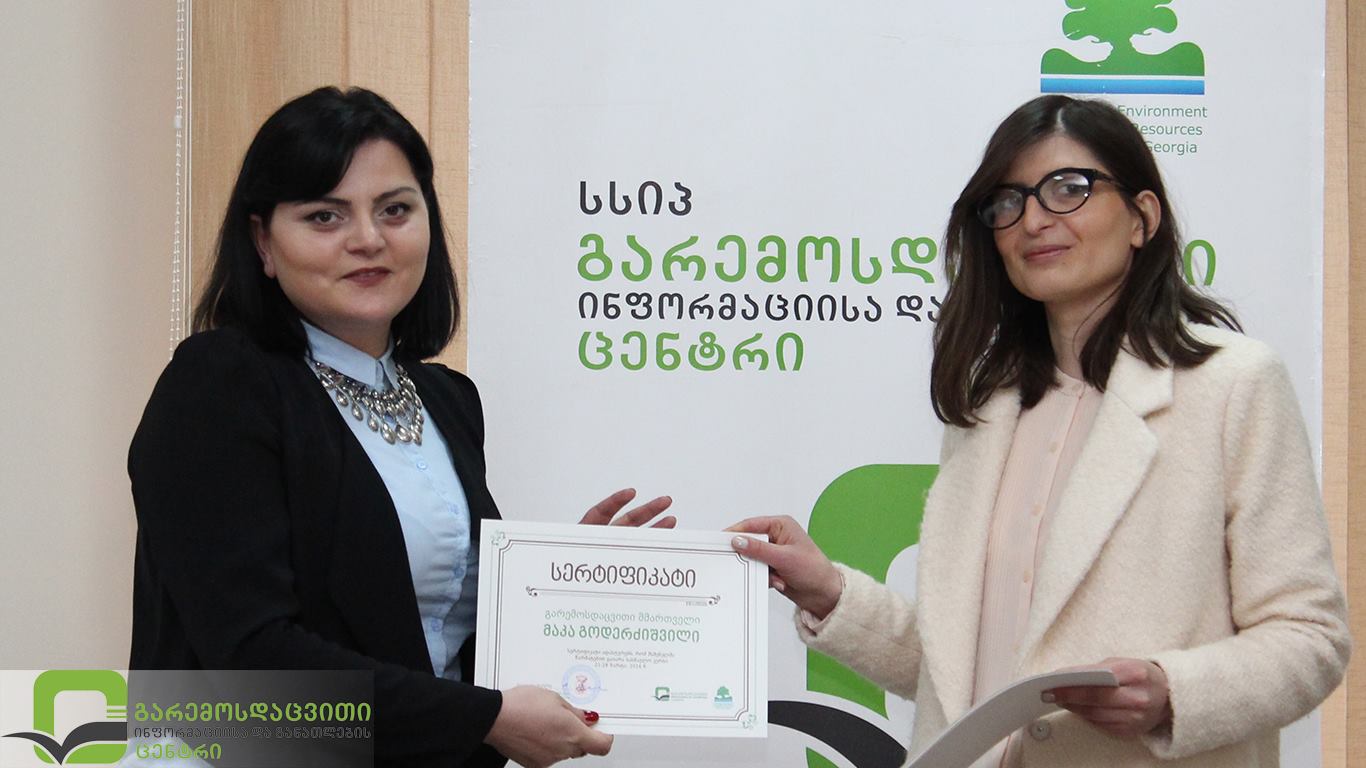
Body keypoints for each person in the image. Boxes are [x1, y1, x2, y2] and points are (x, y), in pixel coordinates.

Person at [729, 95, 1350, 767]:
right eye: (1008, 201)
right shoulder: (987, 408)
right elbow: (965, 677)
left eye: (1068, 188)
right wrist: (828, 592)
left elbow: (1310, 638)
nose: (1032, 220)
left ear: (1142, 217)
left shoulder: (1234, 384)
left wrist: (1172, 691)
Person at [128, 86, 674, 768]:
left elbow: (431, 640)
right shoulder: (219, 384)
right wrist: (485, 719)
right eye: (324, 216)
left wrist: (557, 594)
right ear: (263, 242)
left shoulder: (447, 399)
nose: (368, 239)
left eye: (395, 210)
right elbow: (252, 665)